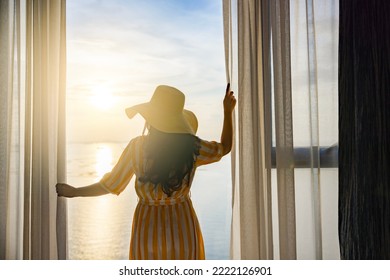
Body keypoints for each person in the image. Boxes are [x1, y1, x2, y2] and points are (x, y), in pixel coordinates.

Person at [56, 83, 236, 260]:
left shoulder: (137, 147)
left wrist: (75, 192)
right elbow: (225, 147)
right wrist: (228, 112)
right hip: (183, 230)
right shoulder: (192, 148)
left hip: (147, 231)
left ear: (151, 118)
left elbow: (111, 185)